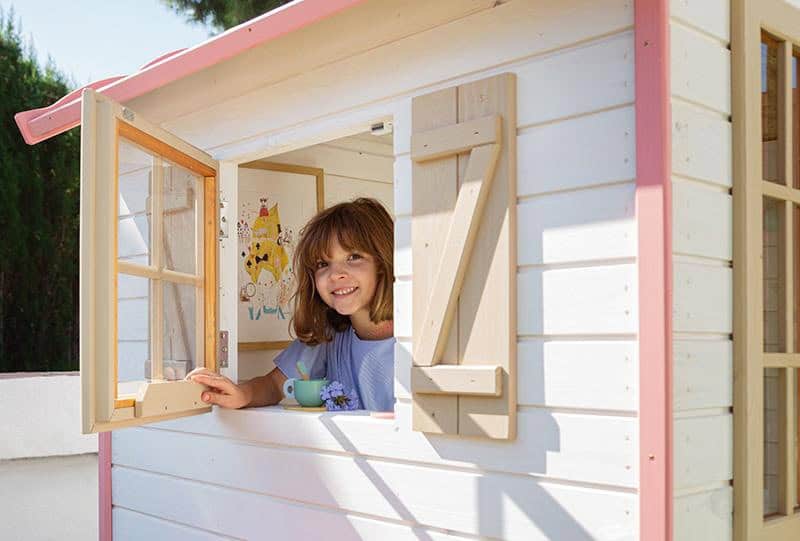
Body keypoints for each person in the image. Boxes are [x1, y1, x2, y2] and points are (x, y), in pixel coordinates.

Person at [187, 197, 396, 412]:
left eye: (353, 257)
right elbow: (273, 385)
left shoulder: (412, 341)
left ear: (382, 263)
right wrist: (243, 394)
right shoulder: (329, 335)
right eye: (323, 264)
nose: (335, 275)